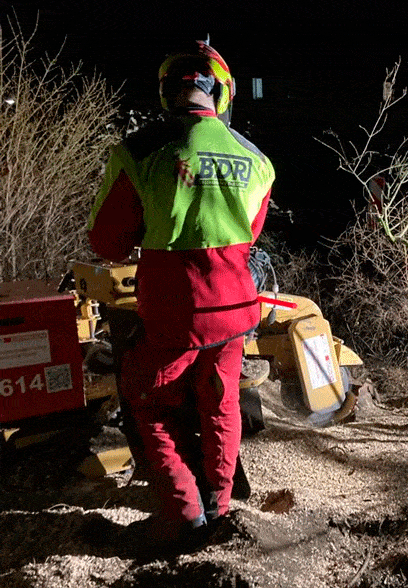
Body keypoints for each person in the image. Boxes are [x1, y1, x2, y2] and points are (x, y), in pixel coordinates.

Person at [87, 41, 274, 546]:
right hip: (236, 308)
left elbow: (106, 240)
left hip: (174, 313)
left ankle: (184, 515)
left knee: (148, 404)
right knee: (221, 403)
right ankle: (220, 504)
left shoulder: (139, 151)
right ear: (223, 92)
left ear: (169, 92)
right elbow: (249, 234)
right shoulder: (257, 159)